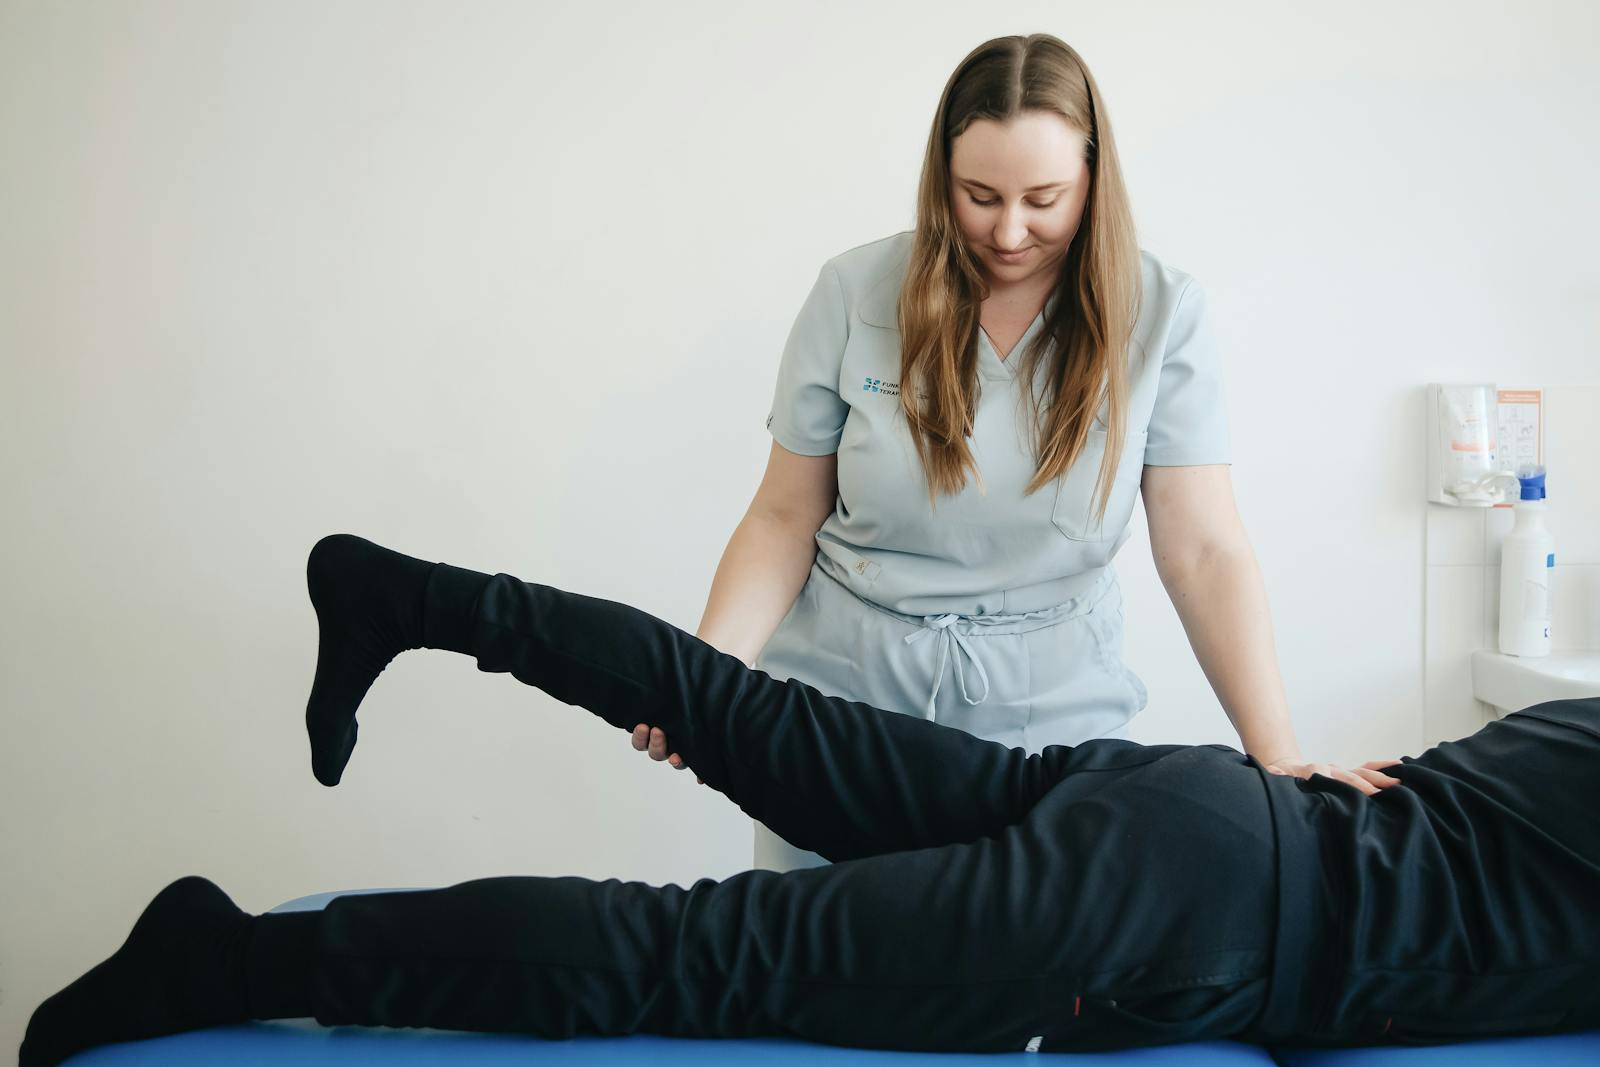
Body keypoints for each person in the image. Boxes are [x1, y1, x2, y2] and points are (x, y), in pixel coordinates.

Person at [22, 534, 1600, 1066]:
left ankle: (403, 592)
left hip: (1193, 803)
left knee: (744, 714)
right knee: (701, 954)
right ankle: (238, 963)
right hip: (1198, 915)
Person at [629, 32, 1395, 876]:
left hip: (1050, 736)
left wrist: (1276, 754)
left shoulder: (1161, 313)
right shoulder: (855, 293)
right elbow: (782, 517)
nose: (1011, 229)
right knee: (823, 980)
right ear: (940, 175)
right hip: (842, 718)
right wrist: (704, 675)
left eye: (1045, 197)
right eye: (980, 195)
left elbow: (1203, 547)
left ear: (1094, 181)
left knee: (1023, 989)